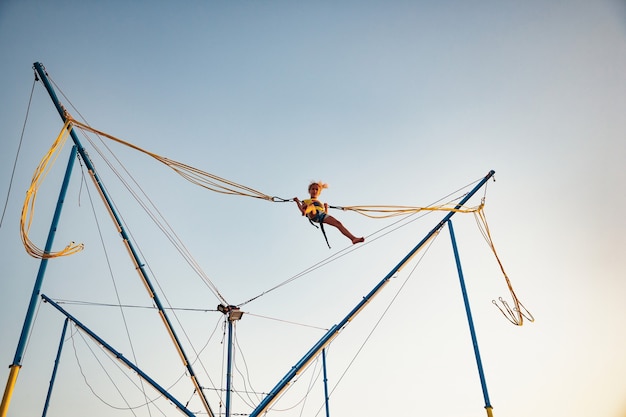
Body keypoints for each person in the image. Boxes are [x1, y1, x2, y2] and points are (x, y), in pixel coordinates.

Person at [294, 181, 365, 245]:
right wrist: (297, 202)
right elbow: (302, 208)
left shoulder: (320, 203)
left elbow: (325, 214)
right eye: (313, 189)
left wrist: (326, 207)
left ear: (319, 192)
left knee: (338, 223)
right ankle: (306, 211)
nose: (314, 191)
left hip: (321, 215)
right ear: (309, 191)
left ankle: (353, 239)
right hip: (312, 214)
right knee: (312, 206)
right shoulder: (305, 201)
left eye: (316, 189)